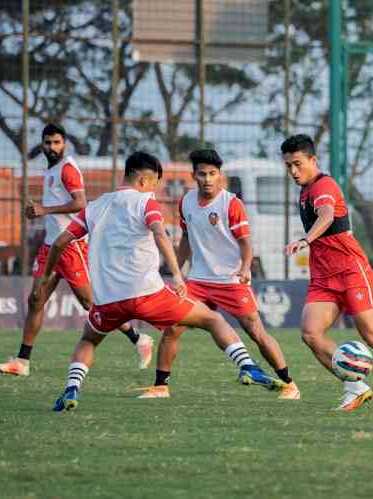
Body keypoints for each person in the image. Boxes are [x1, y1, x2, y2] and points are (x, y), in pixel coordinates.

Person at [48, 151, 275, 410]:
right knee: (212, 319)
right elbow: (160, 233)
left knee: (88, 340)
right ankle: (248, 366)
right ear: (144, 181)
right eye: (155, 183)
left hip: (107, 300)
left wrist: (46, 276)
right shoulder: (146, 202)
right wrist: (177, 275)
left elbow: (59, 242)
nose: (155, 189)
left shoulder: (94, 207)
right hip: (148, 294)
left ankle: (71, 390)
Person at [281, 134, 373, 411]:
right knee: (310, 334)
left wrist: (304, 240)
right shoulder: (303, 191)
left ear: (313, 160)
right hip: (324, 277)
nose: (293, 171)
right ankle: (355, 387)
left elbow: (326, 216)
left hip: (351, 271)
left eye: (298, 164)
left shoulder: (325, 186)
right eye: (288, 165)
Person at [0, 124, 152, 377]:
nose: (51, 147)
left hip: (71, 246)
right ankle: (22, 361)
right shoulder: (51, 169)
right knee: (35, 300)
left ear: (64, 143)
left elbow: (80, 203)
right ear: (42, 144)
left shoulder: (67, 168)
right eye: (47, 143)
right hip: (51, 246)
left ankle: (138, 339)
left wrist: (45, 209)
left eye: (56, 142)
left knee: (92, 302)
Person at [154, 148, 296, 399]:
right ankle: (161, 386)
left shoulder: (231, 203)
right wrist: (176, 270)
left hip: (231, 280)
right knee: (173, 328)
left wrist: (244, 268)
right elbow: (186, 238)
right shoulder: (186, 201)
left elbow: (246, 243)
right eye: (202, 174)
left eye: (212, 174)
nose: (207, 179)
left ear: (220, 175)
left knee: (256, 332)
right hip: (198, 281)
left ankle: (289, 384)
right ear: (193, 175)